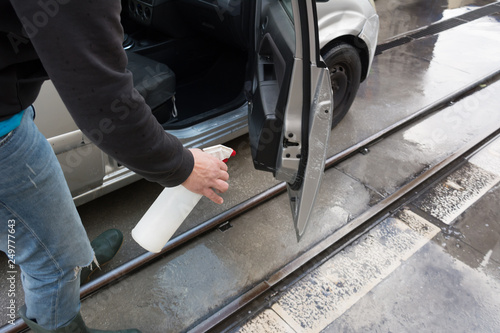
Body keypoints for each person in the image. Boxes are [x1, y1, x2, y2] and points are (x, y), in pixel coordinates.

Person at [0, 0, 230, 332]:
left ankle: (75, 256)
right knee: (51, 262)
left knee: (46, 217)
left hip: (9, 107)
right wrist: (183, 166)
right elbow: (108, 106)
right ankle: (67, 276)